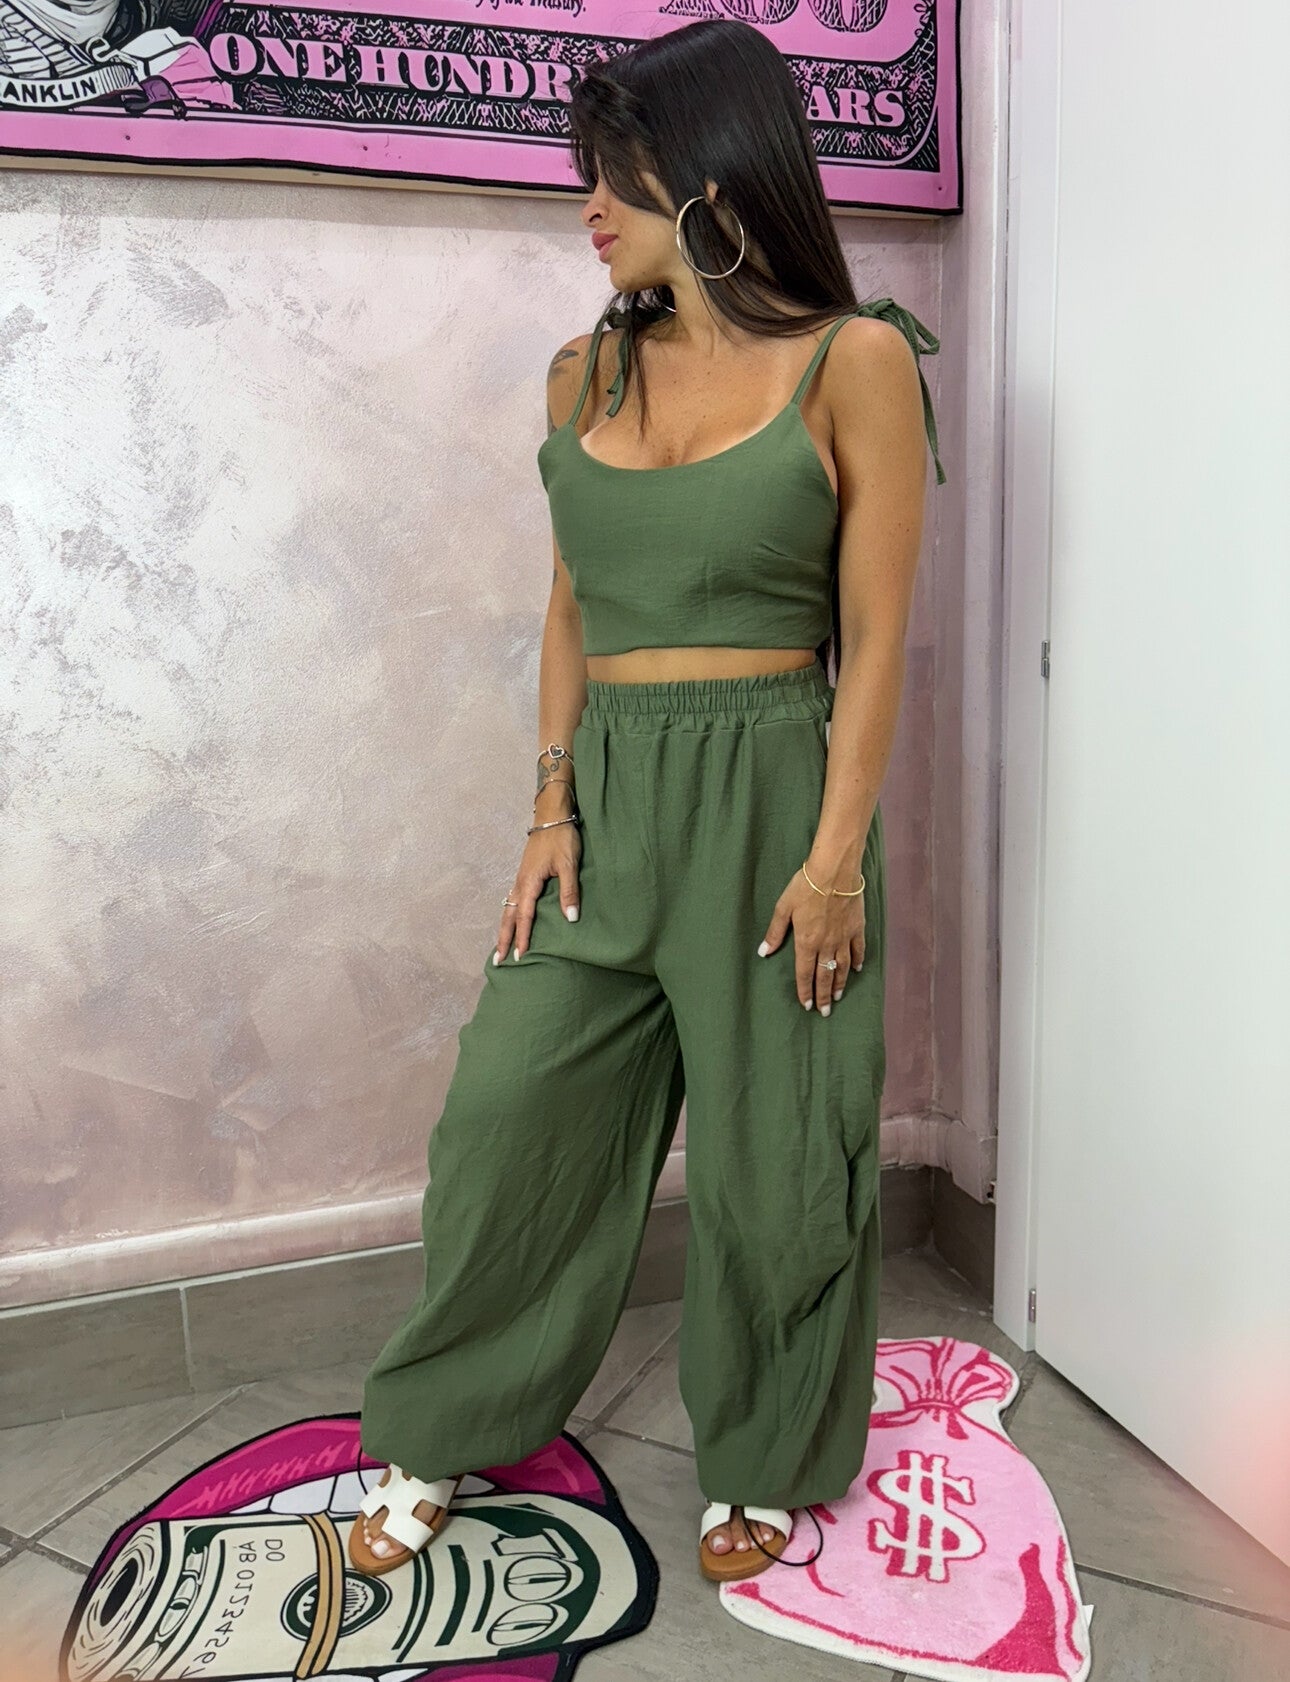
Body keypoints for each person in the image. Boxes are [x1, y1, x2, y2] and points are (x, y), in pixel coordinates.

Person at [351, 16, 944, 1588]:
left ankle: (762, 1452)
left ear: (712, 175)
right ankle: (445, 1419)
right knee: (508, 1122)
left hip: (774, 792)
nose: (589, 206)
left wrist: (834, 859)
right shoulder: (583, 371)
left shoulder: (855, 361)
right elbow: (569, 605)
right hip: (608, 794)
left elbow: (874, 632)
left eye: (615, 175)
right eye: (588, 175)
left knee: (775, 1157)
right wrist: (548, 804)